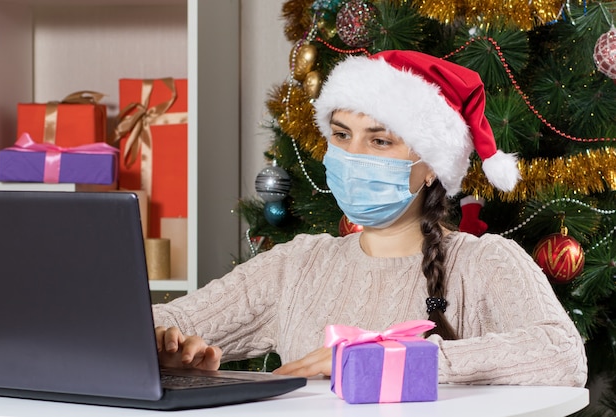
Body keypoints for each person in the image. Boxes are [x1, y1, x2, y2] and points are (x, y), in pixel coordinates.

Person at [153, 50, 588, 387]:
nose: (352, 156)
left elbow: (561, 354)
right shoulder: (296, 266)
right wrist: (166, 351)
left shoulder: (485, 263)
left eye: (380, 141)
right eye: (342, 135)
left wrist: (384, 361)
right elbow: (155, 326)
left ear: (431, 165)